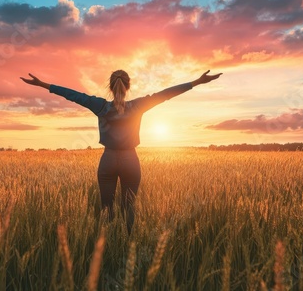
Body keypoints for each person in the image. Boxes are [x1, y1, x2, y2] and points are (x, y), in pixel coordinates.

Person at [20, 69, 222, 235]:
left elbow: (73, 95)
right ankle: (127, 244)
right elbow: (165, 95)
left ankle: (106, 247)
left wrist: (43, 84)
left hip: (107, 160)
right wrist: (196, 81)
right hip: (130, 161)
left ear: (110, 86)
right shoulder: (138, 105)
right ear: (128, 87)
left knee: (106, 209)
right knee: (129, 207)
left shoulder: (100, 105)